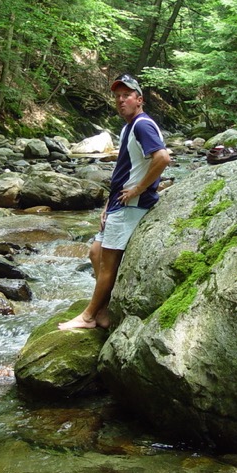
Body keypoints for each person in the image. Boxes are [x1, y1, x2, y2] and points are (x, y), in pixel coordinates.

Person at [58, 74, 170, 330]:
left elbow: (162, 158)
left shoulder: (142, 125)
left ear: (139, 99)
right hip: (119, 205)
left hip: (132, 206)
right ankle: (104, 312)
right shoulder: (128, 126)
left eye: (126, 96)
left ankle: (87, 316)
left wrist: (139, 188)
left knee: (108, 264)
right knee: (94, 253)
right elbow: (124, 169)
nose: (120, 100)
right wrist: (108, 205)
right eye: (117, 96)